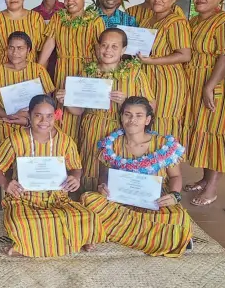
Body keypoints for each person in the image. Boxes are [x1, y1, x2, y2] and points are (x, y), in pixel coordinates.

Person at [0, 95, 106, 257]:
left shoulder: (65, 141)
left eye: (49, 116)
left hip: (57, 199)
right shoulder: (16, 139)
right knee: (21, 222)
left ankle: (29, 245)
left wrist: (75, 178)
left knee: (89, 217)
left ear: (55, 116)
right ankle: (73, 240)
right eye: (38, 115)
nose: (44, 121)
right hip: (23, 198)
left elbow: (76, 168)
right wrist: (5, 183)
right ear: (29, 116)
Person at [81, 96, 193, 257]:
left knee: (178, 216)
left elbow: (175, 177)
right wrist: (103, 187)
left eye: (139, 115)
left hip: (154, 201)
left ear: (147, 120)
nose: (132, 120)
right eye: (127, 114)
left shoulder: (163, 144)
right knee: (88, 200)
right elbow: (104, 176)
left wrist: (174, 195)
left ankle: (109, 232)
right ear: (121, 117)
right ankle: (153, 236)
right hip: (120, 201)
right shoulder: (111, 144)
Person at [57, 28, 154, 191]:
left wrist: (127, 102)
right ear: (97, 48)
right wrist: (67, 101)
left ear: (123, 50)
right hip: (93, 128)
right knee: (92, 169)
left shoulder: (134, 73)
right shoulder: (87, 73)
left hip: (123, 132)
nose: (108, 50)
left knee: (118, 176)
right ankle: (91, 200)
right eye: (104, 45)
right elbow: (78, 111)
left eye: (114, 46)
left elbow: (151, 107)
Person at [184, 0, 225, 206]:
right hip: (196, 81)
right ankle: (204, 178)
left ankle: (212, 187)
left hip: (217, 84)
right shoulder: (194, 21)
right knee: (203, 130)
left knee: (216, 131)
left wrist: (209, 85)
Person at [39, 0, 105, 141]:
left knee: (84, 112)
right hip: (63, 70)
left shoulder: (95, 20)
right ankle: (63, 150)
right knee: (63, 109)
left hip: (86, 71)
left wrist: (101, 75)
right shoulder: (58, 18)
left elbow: (100, 49)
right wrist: (38, 67)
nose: (70, 1)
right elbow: (50, 43)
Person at [137, 0, 191, 146]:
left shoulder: (177, 22)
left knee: (163, 123)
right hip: (147, 78)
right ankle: (150, 166)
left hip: (168, 81)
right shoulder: (147, 21)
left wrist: (153, 61)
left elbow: (185, 55)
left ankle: (168, 170)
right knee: (147, 121)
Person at [0, 32, 54, 143]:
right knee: (9, 139)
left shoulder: (38, 70)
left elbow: (47, 100)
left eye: (20, 48)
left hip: (34, 120)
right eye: (11, 48)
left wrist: (29, 117)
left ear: (28, 50)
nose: (15, 53)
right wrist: (12, 116)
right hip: (6, 120)